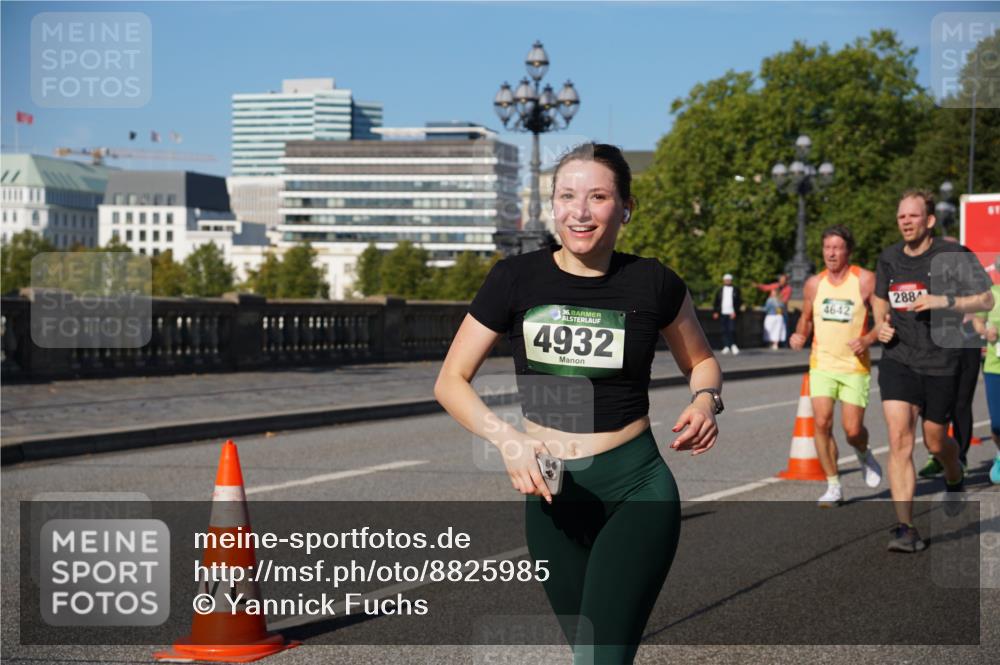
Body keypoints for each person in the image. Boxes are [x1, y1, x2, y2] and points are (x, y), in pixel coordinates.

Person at [434, 143, 722, 663]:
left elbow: (701, 362)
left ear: (625, 208)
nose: (580, 211)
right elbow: (451, 379)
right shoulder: (515, 279)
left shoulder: (653, 282)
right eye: (567, 196)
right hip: (551, 495)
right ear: (552, 205)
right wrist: (507, 440)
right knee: (586, 651)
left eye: (597, 196)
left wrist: (705, 401)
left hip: (635, 487)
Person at [872, 190, 994, 553]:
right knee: (899, 440)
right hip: (899, 358)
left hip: (942, 360)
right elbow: (880, 297)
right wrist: (880, 324)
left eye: (912, 216)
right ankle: (905, 527)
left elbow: (986, 299)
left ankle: (953, 474)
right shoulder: (889, 258)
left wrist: (945, 301)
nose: (905, 222)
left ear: (928, 221)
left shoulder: (952, 255)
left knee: (936, 441)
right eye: (900, 217)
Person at [789, 225, 882, 507]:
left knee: (853, 430)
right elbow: (806, 317)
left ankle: (864, 453)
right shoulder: (814, 284)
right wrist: (800, 334)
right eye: (827, 247)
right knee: (821, 423)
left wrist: (867, 339)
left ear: (848, 251)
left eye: (837, 247)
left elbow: (882, 322)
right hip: (822, 364)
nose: (831, 253)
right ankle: (833, 485)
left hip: (854, 367)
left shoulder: (865, 280)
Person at [972, 266, 1000, 484]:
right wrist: (984, 331)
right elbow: (977, 321)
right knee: (998, 423)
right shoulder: (990, 295)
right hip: (995, 367)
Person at [713, 273, 741, 354]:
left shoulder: (736, 290)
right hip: (722, 313)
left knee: (732, 329)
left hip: (732, 313)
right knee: (724, 330)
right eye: (726, 280)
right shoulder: (720, 290)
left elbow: (738, 302)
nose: (728, 281)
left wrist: (735, 311)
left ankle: (733, 345)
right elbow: (716, 301)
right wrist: (715, 312)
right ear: (724, 281)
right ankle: (726, 346)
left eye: (729, 280)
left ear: (731, 281)